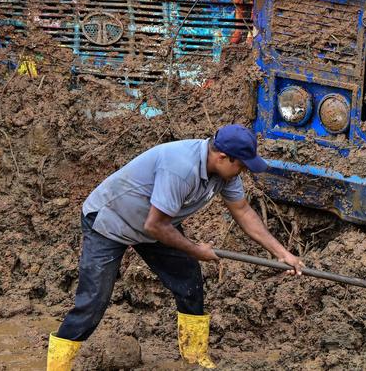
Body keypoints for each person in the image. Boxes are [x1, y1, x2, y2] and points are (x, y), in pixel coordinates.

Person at [46, 124, 303, 370]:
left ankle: (194, 358)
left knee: (189, 283)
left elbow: (243, 211)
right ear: (223, 157)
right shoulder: (180, 168)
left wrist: (282, 254)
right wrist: (196, 250)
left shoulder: (225, 173)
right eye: (242, 166)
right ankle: (59, 366)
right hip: (110, 220)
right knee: (93, 301)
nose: (244, 172)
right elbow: (155, 226)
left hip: (155, 223)